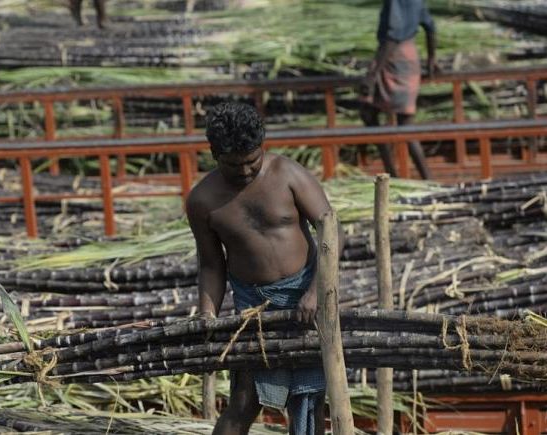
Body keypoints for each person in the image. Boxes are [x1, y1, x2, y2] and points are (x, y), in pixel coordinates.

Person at [186, 102, 344, 435]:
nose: (244, 171)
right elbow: (213, 264)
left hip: (305, 296)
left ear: (263, 146)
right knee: (244, 399)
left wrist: (316, 291)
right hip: (252, 307)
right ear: (214, 154)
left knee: (308, 399)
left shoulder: (287, 174)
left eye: (251, 161)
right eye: (233, 165)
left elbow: (331, 231)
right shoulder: (203, 199)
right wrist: (207, 314)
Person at [359, 0, 441, 180]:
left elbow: (392, 36)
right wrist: (432, 57)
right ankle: (395, 173)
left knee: (396, 122)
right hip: (408, 57)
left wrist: (373, 75)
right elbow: (430, 26)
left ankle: (408, 176)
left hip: (394, 58)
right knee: (374, 114)